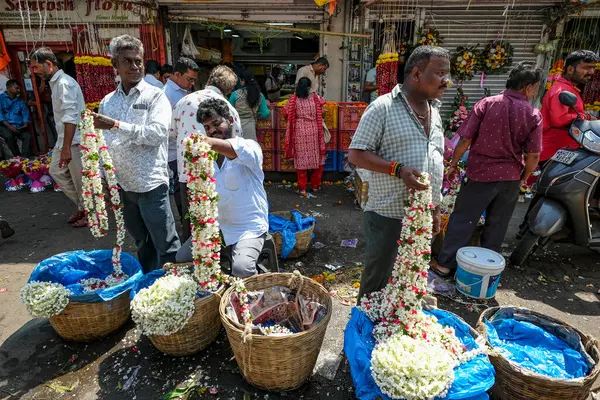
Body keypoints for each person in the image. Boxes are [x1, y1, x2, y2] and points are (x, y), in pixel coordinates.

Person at [348, 46, 449, 300]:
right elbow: (356, 154)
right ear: (416, 74)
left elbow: (435, 161)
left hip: (421, 217)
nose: (445, 80)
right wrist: (398, 169)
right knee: (377, 280)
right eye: (439, 73)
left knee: (409, 277)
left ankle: (395, 328)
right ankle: (366, 330)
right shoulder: (382, 108)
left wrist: (435, 208)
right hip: (387, 214)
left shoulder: (434, 112)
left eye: (446, 73)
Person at [430, 62, 544, 277]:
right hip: (510, 177)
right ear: (528, 87)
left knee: (463, 219)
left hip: (480, 174)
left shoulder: (487, 104)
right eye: (536, 87)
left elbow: (465, 139)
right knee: (497, 224)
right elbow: (534, 155)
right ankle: (485, 271)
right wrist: (524, 178)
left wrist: (453, 165)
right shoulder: (533, 114)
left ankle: (445, 265)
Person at [92, 35, 180, 273]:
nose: (135, 67)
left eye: (138, 61)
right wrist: (103, 178)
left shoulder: (155, 96)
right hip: (123, 186)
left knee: (166, 243)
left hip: (151, 184)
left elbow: (157, 134)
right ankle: (151, 284)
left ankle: (176, 289)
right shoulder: (107, 102)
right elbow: (103, 144)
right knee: (142, 242)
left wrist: (116, 125)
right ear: (115, 66)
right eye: (128, 61)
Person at [175, 98, 269, 278]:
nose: (212, 131)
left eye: (216, 124)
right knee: (182, 257)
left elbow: (233, 150)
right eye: (207, 128)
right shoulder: (205, 158)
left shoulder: (250, 147)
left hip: (248, 228)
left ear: (231, 120)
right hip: (216, 227)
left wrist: (204, 141)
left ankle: (248, 300)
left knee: (241, 269)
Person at [170, 65, 242, 242]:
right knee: (214, 221)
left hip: (187, 174)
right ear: (230, 90)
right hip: (216, 178)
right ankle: (217, 255)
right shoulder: (228, 108)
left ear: (209, 80)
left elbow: (171, 133)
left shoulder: (184, 101)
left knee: (191, 220)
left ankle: (192, 255)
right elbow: (237, 142)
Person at [30, 47, 87, 228]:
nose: (35, 71)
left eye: (36, 67)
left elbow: (71, 118)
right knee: (57, 172)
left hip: (74, 141)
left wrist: (67, 147)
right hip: (64, 140)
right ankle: (83, 206)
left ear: (49, 64)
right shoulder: (55, 83)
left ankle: (91, 213)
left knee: (80, 180)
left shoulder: (64, 83)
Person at [540, 50, 598, 164]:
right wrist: (586, 117)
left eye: (593, 68)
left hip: (563, 151)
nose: (591, 72)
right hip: (551, 154)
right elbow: (559, 120)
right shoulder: (561, 90)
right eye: (587, 68)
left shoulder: (569, 88)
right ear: (570, 69)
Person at [164, 57, 200, 224]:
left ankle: (189, 220)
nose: (191, 84)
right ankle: (186, 221)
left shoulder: (181, 91)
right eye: (189, 79)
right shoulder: (167, 94)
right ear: (177, 74)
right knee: (181, 187)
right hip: (174, 150)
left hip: (183, 148)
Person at [284, 77, 326, 195]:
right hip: (314, 130)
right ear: (309, 86)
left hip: (299, 131)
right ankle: (315, 186)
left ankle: (302, 189)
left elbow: (286, 112)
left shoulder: (293, 99)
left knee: (301, 161)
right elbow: (324, 102)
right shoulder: (315, 97)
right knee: (317, 159)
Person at [229, 69, 270, 142]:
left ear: (243, 81)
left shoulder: (235, 94)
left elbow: (228, 110)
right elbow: (265, 113)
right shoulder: (259, 95)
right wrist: (258, 115)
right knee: (249, 148)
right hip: (250, 127)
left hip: (236, 127)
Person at [0, 80, 31, 158]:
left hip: (18, 126)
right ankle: (17, 157)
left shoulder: (20, 101)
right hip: (4, 125)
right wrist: (10, 127)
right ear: (9, 87)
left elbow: (25, 114)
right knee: (9, 137)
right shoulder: (1, 98)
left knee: (27, 136)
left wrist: (25, 124)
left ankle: (24, 158)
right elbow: (0, 116)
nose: (18, 90)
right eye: (16, 88)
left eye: (19, 88)